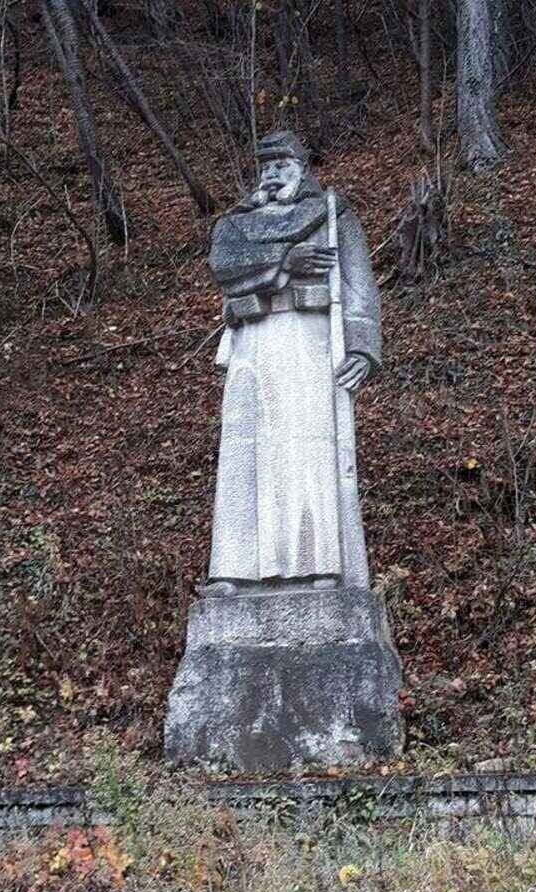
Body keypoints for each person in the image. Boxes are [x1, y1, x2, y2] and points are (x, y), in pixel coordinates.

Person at [204, 131, 381, 594]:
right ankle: (234, 569)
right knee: (243, 457)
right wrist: (286, 262)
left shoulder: (330, 214)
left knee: (308, 454)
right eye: (266, 165)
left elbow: (358, 281)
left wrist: (362, 346)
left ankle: (320, 565)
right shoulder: (235, 224)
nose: (272, 173)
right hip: (251, 341)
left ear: (302, 169)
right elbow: (224, 266)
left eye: (281, 164)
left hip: (309, 339)